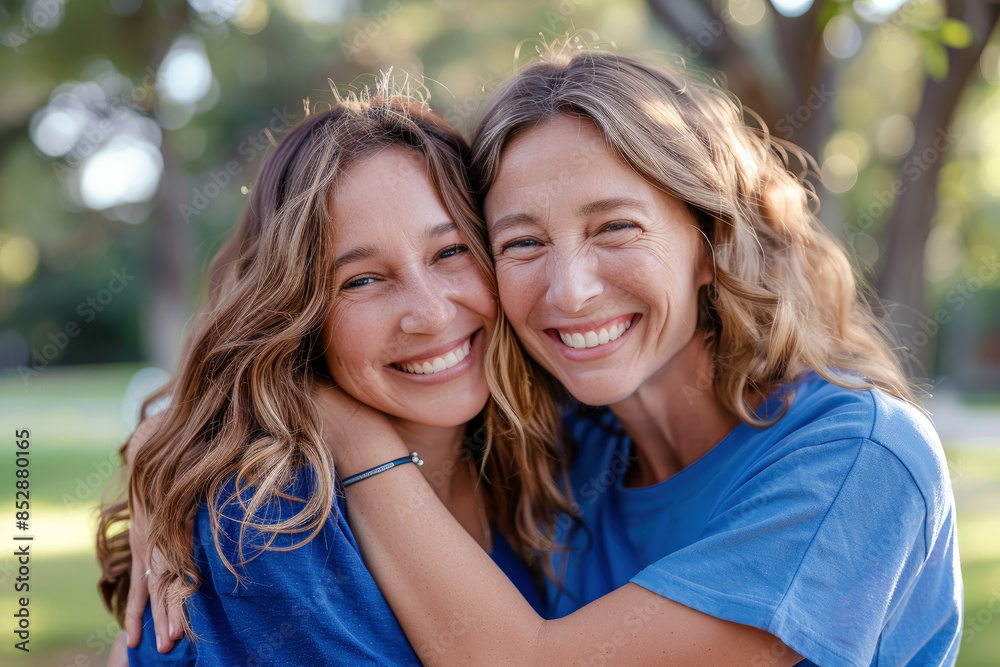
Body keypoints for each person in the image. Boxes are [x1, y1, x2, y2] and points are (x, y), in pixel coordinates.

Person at [313, 46, 963, 666]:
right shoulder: (568, 455)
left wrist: (351, 432)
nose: (570, 289)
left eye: (615, 227)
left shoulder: (859, 455)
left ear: (711, 241)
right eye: (524, 242)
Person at [95, 88, 572, 665]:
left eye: (449, 252)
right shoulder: (269, 518)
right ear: (297, 313)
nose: (433, 313)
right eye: (362, 280)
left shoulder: (533, 451)